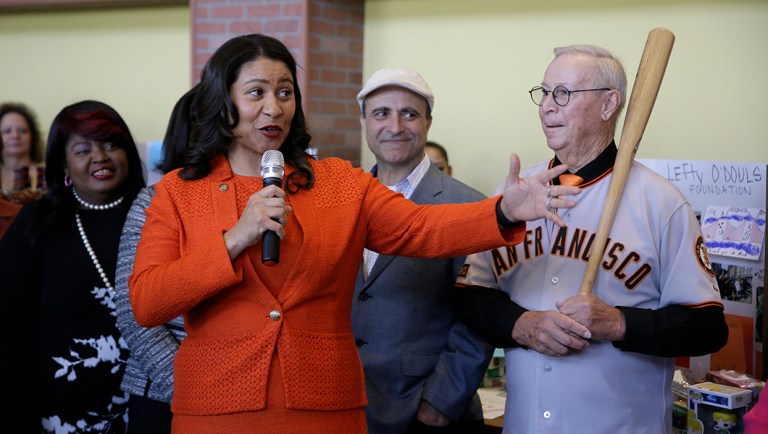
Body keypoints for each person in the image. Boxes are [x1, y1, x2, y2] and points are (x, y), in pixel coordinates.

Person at [128, 33, 580, 434]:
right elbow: (148, 302)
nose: (275, 107)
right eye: (256, 92)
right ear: (222, 104)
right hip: (215, 411)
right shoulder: (177, 194)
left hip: (326, 408)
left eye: (285, 92)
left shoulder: (338, 183)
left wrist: (502, 211)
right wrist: (235, 239)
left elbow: (421, 228)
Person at [454, 44, 728, 433]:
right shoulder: (515, 193)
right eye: (544, 92)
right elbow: (469, 295)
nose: (547, 106)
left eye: (562, 93)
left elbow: (708, 327)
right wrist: (522, 323)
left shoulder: (660, 202)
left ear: (608, 104)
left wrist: (618, 322)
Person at [353, 67, 491, 434]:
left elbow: (478, 320)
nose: (395, 126)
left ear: (429, 122)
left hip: (425, 413)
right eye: (381, 113)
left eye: (409, 114)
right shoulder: (342, 201)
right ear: (364, 121)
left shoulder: (469, 205)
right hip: (347, 406)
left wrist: (438, 405)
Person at [0, 100, 146, 432]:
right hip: (59, 415)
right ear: (63, 164)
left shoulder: (156, 216)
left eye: (111, 144)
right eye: (83, 149)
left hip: (146, 409)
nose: (100, 157)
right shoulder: (38, 222)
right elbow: (6, 323)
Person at [114, 86, 197, 433]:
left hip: (240, 394)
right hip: (161, 390)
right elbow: (134, 312)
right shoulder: (154, 199)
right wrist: (190, 387)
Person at [0, 102, 47, 204]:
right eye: (7, 131)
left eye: (22, 130)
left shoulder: (48, 174)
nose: (15, 136)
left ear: (32, 136)